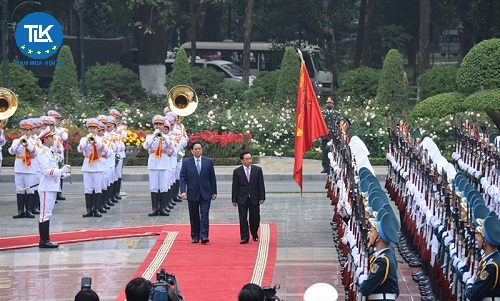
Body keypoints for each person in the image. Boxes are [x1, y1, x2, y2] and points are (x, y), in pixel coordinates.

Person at [36, 127, 71, 248]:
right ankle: (44, 240)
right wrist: (60, 171)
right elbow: (45, 171)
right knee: (44, 213)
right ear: (45, 139)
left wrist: (62, 174)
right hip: (46, 187)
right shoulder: (42, 153)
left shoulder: (49, 152)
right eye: (51, 137)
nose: (53, 139)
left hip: (51, 186)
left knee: (48, 213)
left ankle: (46, 239)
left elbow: (52, 170)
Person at [180, 142, 217, 244]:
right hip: (192, 193)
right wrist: (183, 191)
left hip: (206, 193)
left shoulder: (208, 162)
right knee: (194, 215)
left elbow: (212, 178)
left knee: (204, 215)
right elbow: (183, 177)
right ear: (192, 151)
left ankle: (204, 235)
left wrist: (214, 192)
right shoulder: (187, 163)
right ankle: (195, 235)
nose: (198, 151)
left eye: (200, 149)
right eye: (196, 149)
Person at [358, 212, 399, 300]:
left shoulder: (382, 261)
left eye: (372, 232)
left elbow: (365, 289)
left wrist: (361, 280)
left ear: (378, 238)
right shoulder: (387, 255)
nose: (370, 234)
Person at [462, 213, 500, 299]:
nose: (476, 238)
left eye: (478, 235)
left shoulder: (492, 266)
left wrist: (469, 282)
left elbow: (473, 294)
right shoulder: (490, 258)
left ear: (485, 241)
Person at [143, 115, 175, 216]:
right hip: (153, 165)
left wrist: (163, 137)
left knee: (164, 187)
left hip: (164, 165)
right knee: (153, 187)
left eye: (160, 125)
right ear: (153, 126)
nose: (158, 126)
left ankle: (163, 208)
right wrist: (154, 136)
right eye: (156, 124)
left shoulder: (167, 138)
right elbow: (146, 146)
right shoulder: (149, 137)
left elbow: (172, 149)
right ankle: (154, 208)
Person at [232, 151, 266, 244]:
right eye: (247, 159)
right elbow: (235, 186)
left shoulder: (257, 170)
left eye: (250, 158)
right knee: (243, 218)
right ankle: (244, 237)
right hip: (242, 198)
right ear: (242, 160)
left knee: (255, 217)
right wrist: (234, 199)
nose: (249, 161)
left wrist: (262, 197)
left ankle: (254, 233)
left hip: (254, 198)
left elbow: (261, 184)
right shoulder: (237, 171)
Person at [8, 119, 38, 219]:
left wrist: (27, 144)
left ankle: (29, 210)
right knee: (20, 190)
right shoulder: (16, 141)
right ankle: (20, 210)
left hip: (30, 169)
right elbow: (11, 151)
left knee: (30, 190)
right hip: (19, 168)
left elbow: (35, 152)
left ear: (30, 131)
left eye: (27, 130)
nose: (25, 132)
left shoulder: (34, 141)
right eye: (23, 130)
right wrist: (19, 143)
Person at [320, 97, 336, 173]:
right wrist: (319, 136)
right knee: (324, 152)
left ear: (333, 104)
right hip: (324, 136)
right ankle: (325, 167)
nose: (329, 104)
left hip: (333, 136)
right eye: (328, 103)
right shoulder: (322, 113)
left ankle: (333, 167)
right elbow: (319, 125)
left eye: (330, 103)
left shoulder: (336, 114)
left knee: (333, 151)